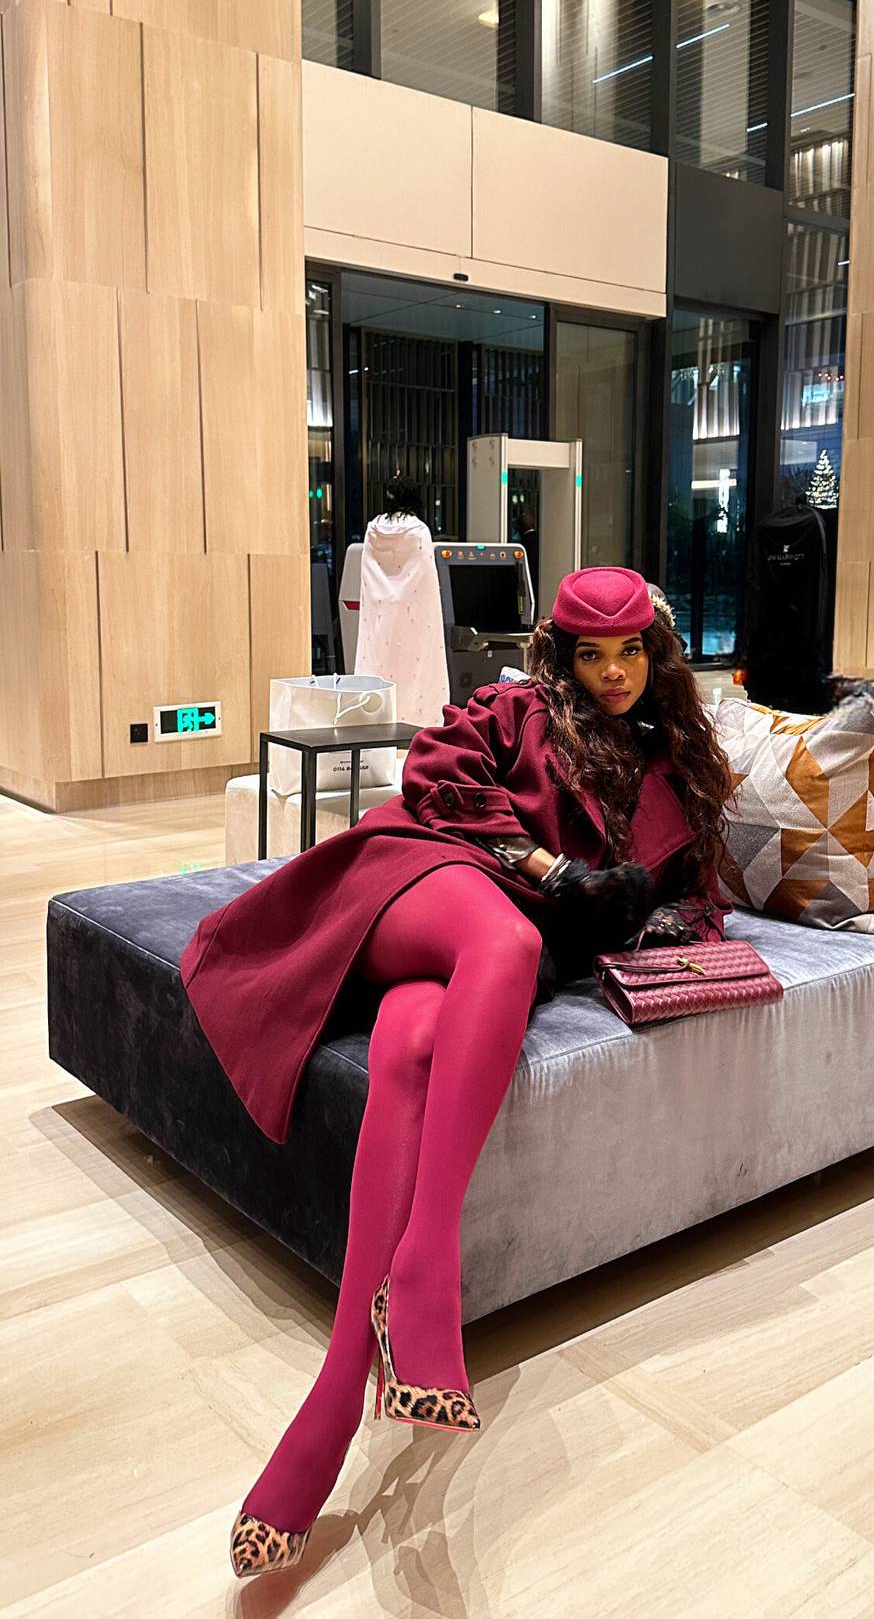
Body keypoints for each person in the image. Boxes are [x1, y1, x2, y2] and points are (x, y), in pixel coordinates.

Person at [179, 565, 733, 1580]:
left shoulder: (675, 766)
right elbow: (433, 779)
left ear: (658, 656)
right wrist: (548, 869)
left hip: (499, 949)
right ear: (562, 657)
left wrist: (630, 909)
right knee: (505, 944)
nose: (613, 673)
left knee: (412, 1046)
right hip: (426, 877)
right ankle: (426, 1263)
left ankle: (336, 1395)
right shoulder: (516, 711)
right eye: (592, 655)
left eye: (631, 653)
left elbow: (694, 897)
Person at [354, 472, 450, 725]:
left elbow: (368, 572)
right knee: (413, 661)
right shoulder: (418, 531)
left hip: (379, 609)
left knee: (380, 659)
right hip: (413, 613)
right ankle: (417, 717)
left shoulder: (373, 530)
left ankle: (375, 717)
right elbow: (425, 578)